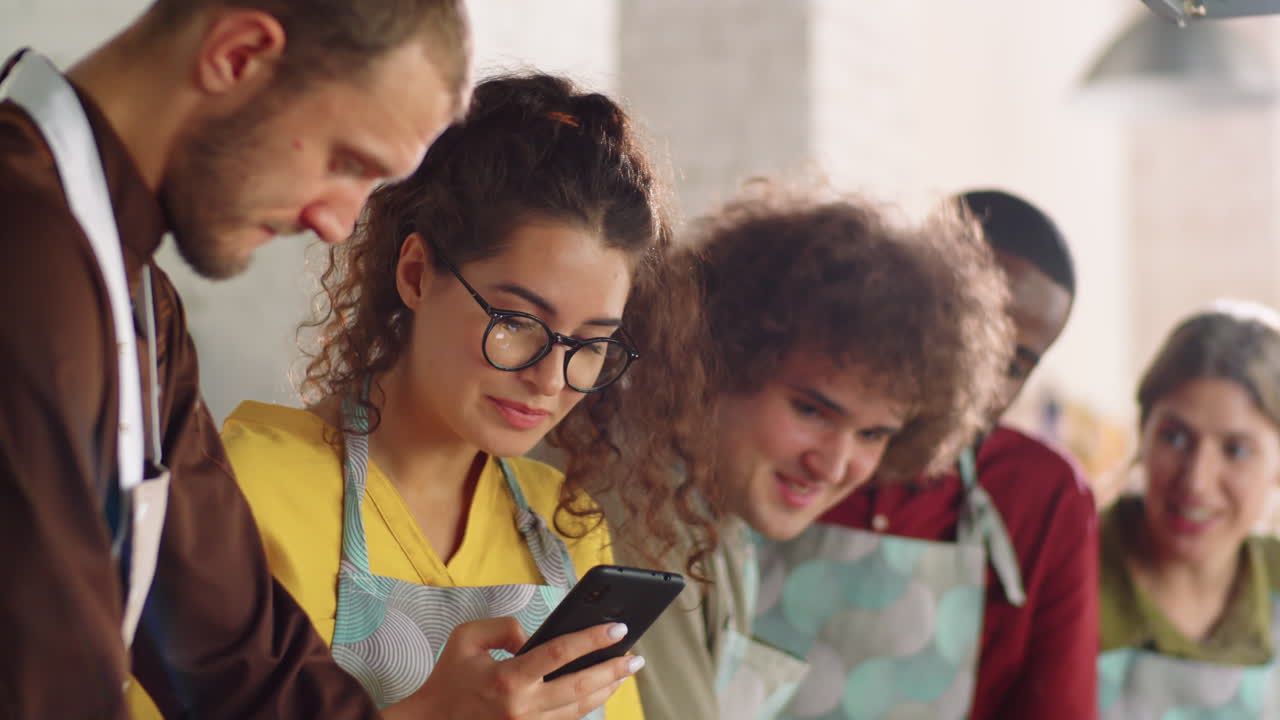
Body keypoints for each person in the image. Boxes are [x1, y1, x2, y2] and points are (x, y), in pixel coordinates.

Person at [0, 0, 470, 716]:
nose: (336, 223)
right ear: (239, 54)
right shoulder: (24, 250)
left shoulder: (138, 301)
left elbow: (237, 659)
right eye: (346, 161)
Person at [210, 72, 716, 720]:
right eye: (517, 324)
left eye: (591, 344)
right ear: (416, 274)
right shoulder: (251, 485)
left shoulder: (567, 526)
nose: (552, 379)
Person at [615, 179, 1014, 720]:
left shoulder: (711, 510)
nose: (833, 464)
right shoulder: (639, 512)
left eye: (874, 434)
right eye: (811, 411)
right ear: (715, 359)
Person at [804, 189, 1097, 720]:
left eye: (1014, 364)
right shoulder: (795, 446)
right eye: (966, 332)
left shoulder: (1043, 495)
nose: (977, 378)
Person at [1098, 302, 1280, 718]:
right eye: (1175, 438)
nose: (1196, 481)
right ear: (1142, 432)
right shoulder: (1066, 570)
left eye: (1236, 450)